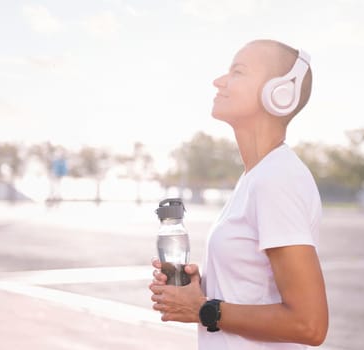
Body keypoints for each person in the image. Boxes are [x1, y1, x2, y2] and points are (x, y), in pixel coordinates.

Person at [149, 39, 328, 349]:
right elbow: (252, 292)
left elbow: (308, 324)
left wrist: (203, 310)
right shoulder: (256, 176)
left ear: (279, 93)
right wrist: (196, 294)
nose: (219, 81)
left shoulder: (276, 178)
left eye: (238, 72)